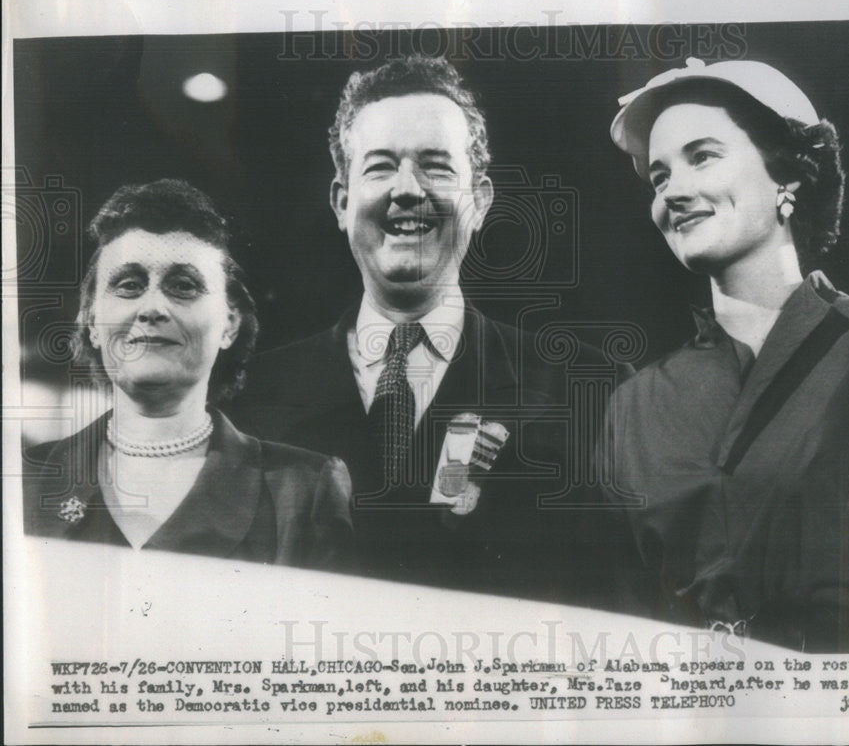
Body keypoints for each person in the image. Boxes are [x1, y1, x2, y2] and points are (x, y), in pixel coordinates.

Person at [227, 55, 633, 607]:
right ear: (343, 203)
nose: (408, 190)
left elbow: (617, 605)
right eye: (380, 167)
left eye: (437, 166)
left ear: (480, 201)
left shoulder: (591, 387)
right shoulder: (250, 397)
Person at [602, 58, 849, 652]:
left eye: (702, 156)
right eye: (659, 178)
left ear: (786, 174)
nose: (674, 192)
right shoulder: (634, 405)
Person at [23, 179, 355, 572]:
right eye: (128, 285)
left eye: (183, 286)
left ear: (229, 324)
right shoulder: (21, 480)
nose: (152, 308)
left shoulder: (303, 490)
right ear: (92, 321)